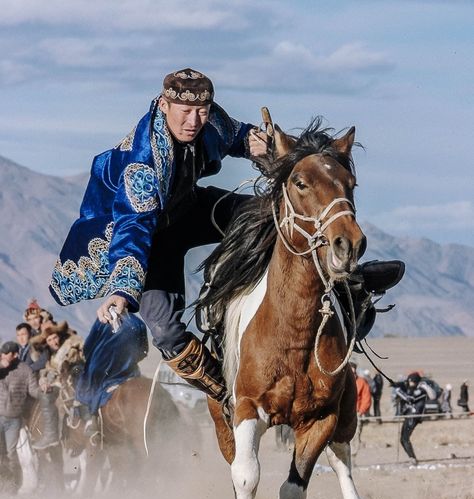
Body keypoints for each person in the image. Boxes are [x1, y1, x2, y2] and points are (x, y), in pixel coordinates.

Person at [49, 68, 405, 404]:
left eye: (201, 110)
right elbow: (133, 227)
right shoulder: (142, 163)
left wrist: (262, 147)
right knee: (167, 334)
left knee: (274, 212)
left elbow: (238, 135)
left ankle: (352, 282)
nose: (194, 121)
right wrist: (123, 291)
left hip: (188, 207)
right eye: (184, 111)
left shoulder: (210, 121)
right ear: (163, 105)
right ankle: (228, 392)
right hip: (147, 240)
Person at [30, 321, 90, 450]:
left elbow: (84, 355)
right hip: (60, 383)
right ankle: (51, 435)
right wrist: (44, 380)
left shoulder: (73, 344)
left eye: (55, 338)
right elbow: (46, 371)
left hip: (77, 378)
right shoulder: (50, 357)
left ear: (59, 336)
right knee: (44, 395)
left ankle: (90, 420)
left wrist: (72, 360)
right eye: (50, 340)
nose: (54, 342)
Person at [0, 341, 39, 492]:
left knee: (10, 453)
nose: (3, 355)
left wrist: (44, 387)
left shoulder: (25, 370)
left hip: (13, 419)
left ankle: (12, 485)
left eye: (6, 353)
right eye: (2, 352)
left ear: (15, 354)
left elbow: (34, 391)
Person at [394, 372, 431, 464]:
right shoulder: (414, 389)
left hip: (413, 416)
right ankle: (412, 457)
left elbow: (410, 398)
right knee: (402, 439)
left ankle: (413, 459)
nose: (409, 383)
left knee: (405, 438)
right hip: (409, 416)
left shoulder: (421, 390)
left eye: (410, 381)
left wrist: (399, 391)